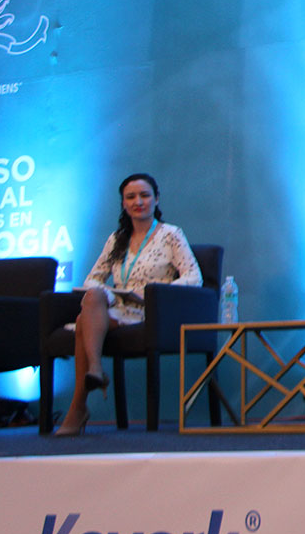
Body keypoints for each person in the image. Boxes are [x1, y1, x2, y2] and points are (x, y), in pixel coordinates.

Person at [54, 173, 202, 436]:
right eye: (131, 197)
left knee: (82, 323)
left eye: (144, 195)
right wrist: (111, 293)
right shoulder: (116, 239)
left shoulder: (171, 234)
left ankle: (79, 406)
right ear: (123, 203)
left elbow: (194, 277)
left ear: (156, 199)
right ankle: (95, 370)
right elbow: (92, 279)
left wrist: (155, 292)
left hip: (152, 311)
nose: (138, 202)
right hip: (119, 308)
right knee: (93, 296)